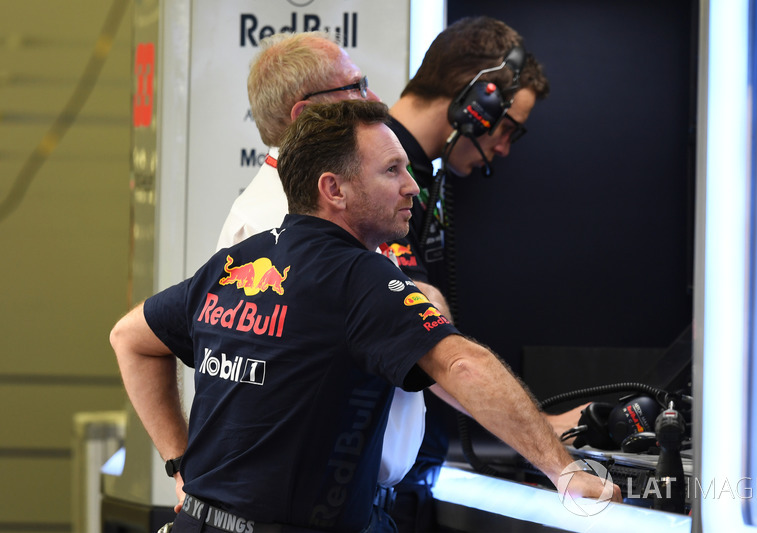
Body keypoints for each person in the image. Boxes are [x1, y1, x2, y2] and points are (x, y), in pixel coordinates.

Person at [110, 100, 621, 533]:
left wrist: (180, 463)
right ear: (334, 189)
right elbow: (462, 366)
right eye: (391, 171)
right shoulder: (358, 278)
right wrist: (564, 470)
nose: (412, 189)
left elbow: (130, 337)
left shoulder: (234, 263)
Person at [215, 32, 438, 501]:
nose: (373, 99)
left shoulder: (320, 216)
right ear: (305, 116)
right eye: (356, 87)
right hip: (316, 501)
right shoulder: (275, 228)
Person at [382, 17, 577, 531]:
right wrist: (541, 433)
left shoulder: (420, 178)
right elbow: (426, 340)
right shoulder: (381, 183)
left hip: (401, 471)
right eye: (507, 126)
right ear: (477, 101)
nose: (506, 146)